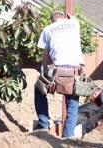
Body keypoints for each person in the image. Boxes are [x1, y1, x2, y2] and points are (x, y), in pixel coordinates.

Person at [35, 10, 85, 138]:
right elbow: (73, 18)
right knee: (72, 105)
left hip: (57, 70)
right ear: (63, 18)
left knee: (39, 90)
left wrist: (45, 73)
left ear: (51, 19)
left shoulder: (48, 29)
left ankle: (43, 124)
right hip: (75, 72)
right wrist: (71, 18)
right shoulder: (75, 24)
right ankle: (68, 137)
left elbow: (46, 54)